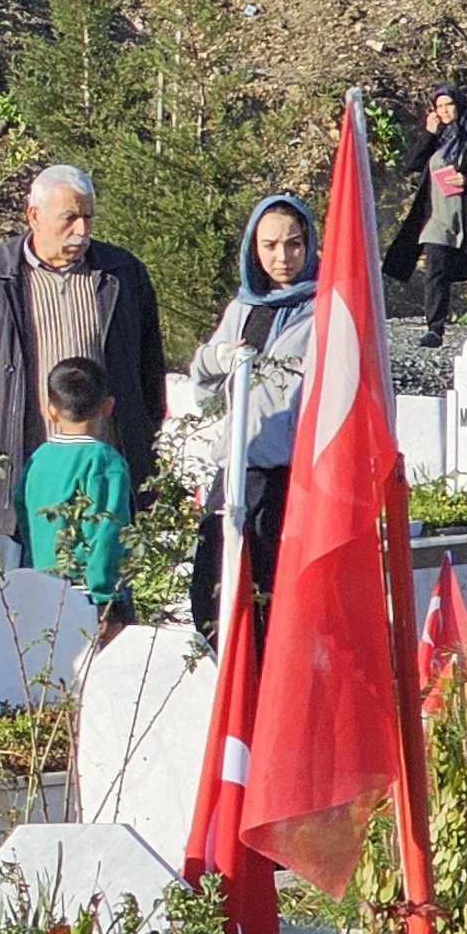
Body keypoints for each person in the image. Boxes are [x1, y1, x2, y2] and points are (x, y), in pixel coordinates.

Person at [0, 164, 166, 578]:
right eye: (69, 218)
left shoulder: (121, 275)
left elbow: (149, 376)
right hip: (23, 480)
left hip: (104, 478)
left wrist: (146, 458)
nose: (81, 231)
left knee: (107, 603)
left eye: (88, 218)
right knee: (28, 608)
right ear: (34, 216)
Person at [186, 195, 318, 629]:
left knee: (273, 596)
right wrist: (219, 357)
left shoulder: (325, 308)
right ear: (253, 249)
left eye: (294, 244)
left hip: (290, 476)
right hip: (237, 471)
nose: (283, 257)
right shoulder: (245, 308)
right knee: (214, 590)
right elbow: (203, 382)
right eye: (270, 246)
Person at [387, 85, 467, 348]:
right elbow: (411, 164)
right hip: (437, 218)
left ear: (459, 106)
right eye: (439, 106)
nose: (445, 111)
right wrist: (429, 133)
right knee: (435, 271)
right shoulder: (435, 140)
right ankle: (435, 329)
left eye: (449, 105)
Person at [23, 355, 136, 624]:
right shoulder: (104, 461)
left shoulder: (38, 459)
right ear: (108, 406)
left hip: (41, 587)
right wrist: (104, 597)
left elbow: (25, 522)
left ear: (49, 409)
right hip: (89, 595)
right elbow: (107, 532)